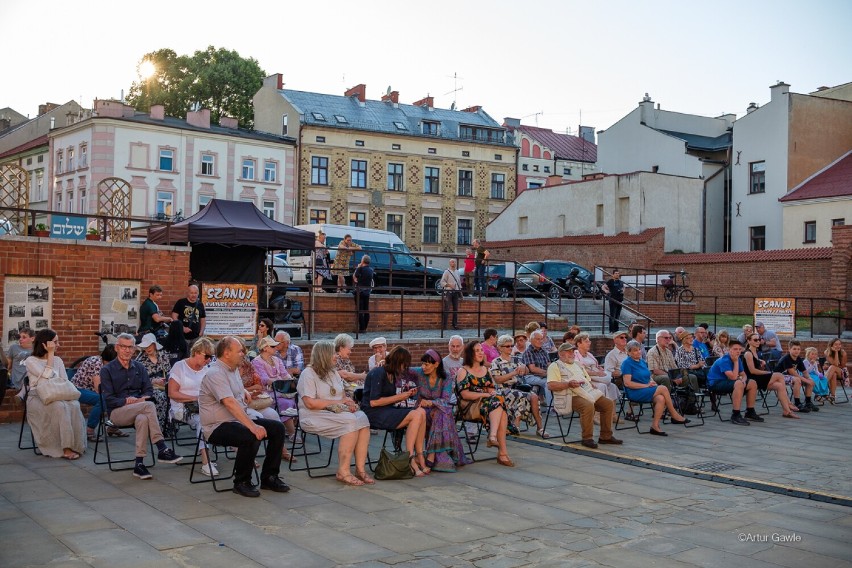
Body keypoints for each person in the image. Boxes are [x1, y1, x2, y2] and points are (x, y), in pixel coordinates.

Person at [199, 336, 290, 497]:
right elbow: (229, 403)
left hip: (235, 420)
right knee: (250, 434)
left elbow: (235, 394)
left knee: (277, 428)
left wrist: (245, 392)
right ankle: (241, 481)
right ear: (227, 353)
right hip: (217, 426)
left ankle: (269, 477)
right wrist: (253, 426)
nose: (244, 353)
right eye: (240, 351)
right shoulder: (215, 373)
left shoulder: (233, 369)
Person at [100, 333, 183, 479]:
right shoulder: (107, 370)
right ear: (117, 348)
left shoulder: (139, 367)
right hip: (117, 413)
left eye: (130, 347)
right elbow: (108, 399)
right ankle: (161, 447)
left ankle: (139, 464)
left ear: (134, 350)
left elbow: (148, 390)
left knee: (142, 419)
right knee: (149, 405)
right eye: (123, 347)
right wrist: (127, 401)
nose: (126, 350)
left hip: (139, 408)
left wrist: (138, 399)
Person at [298, 340, 373, 485]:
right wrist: (338, 403)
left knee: (362, 419)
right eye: (333, 353)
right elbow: (310, 403)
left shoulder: (333, 373)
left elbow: (341, 396)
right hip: (314, 415)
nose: (336, 356)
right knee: (350, 421)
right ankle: (343, 471)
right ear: (324, 355)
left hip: (336, 413)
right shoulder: (308, 374)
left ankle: (360, 469)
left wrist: (348, 401)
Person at [360, 346, 430, 476]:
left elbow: (390, 399)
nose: (405, 368)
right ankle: (409, 457)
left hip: (386, 410)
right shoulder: (378, 373)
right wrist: (401, 396)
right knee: (415, 415)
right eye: (405, 365)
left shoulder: (391, 374)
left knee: (421, 412)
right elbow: (374, 402)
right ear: (399, 363)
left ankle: (419, 455)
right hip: (373, 413)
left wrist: (407, 394)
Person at [23, 329, 86, 460]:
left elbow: (64, 381)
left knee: (74, 405)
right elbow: (46, 377)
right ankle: (65, 448)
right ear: (45, 344)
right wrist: (50, 354)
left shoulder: (58, 360)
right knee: (59, 407)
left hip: (58, 394)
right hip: (38, 397)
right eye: (55, 342)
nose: (58, 345)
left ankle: (76, 445)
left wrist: (52, 357)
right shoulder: (30, 360)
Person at [547, 343, 624, 448]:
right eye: (568, 351)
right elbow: (550, 385)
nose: (572, 354)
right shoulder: (555, 366)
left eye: (572, 351)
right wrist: (568, 384)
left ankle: (605, 436)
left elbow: (586, 379)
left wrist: (591, 386)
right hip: (569, 395)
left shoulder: (578, 364)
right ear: (561, 354)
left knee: (608, 403)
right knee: (587, 405)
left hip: (585, 392)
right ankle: (587, 438)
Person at [456, 341, 514, 467]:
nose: (481, 353)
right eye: (477, 350)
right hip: (470, 406)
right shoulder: (463, 371)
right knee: (499, 406)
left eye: (481, 350)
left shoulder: (486, 370)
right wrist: (485, 395)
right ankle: (498, 448)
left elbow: (490, 389)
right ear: (470, 354)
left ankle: (498, 446)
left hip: (487, 405)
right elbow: (465, 395)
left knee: (500, 406)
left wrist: (491, 392)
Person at [415, 349, 471, 472]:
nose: (423, 367)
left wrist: (431, 402)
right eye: (422, 364)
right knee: (444, 414)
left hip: (437, 410)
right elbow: (402, 370)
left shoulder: (446, 378)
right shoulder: (419, 373)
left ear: (436, 364)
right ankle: (433, 455)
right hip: (421, 412)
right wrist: (383, 362)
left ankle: (431, 454)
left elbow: (445, 399)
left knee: (441, 412)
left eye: (426, 364)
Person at [168, 338, 218, 476]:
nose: (208, 360)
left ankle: (239, 452)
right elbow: (172, 393)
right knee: (204, 421)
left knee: (224, 415)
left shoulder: (206, 369)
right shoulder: (179, 366)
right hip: (181, 408)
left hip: (201, 406)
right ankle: (206, 462)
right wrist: (195, 398)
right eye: (206, 356)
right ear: (196, 352)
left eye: (211, 357)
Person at [621, 340, 689, 435]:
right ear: (629, 352)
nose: (639, 352)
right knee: (663, 388)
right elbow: (627, 383)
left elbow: (649, 377)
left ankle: (655, 426)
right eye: (635, 350)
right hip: (634, 391)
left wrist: (652, 383)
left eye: (639, 349)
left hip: (646, 389)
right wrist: (646, 385)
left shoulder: (642, 362)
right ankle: (674, 414)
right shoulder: (627, 363)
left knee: (661, 398)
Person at [490, 335, 549, 438]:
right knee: (521, 396)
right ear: (500, 347)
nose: (510, 348)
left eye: (511, 346)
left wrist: (524, 367)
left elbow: (526, 372)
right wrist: (514, 373)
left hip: (518, 387)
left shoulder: (516, 359)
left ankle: (540, 428)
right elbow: (498, 379)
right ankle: (516, 425)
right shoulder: (496, 362)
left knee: (534, 396)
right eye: (507, 346)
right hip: (503, 389)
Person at [252, 336, 298, 444]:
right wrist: (280, 381)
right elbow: (263, 379)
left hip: (281, 389)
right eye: (273, 346)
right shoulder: (257, 362)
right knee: (285, 402)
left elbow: (284, 374)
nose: (276, 348)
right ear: (265, 348)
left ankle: (289, 429)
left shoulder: (276, 359)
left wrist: (290, 380)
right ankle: (292, 433)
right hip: (267, 392)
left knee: (297, 398)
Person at [742, 333, 799, 418]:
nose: (758, 341)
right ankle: (789, 403)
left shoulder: (756, 352)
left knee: (779, 386)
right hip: (752, 380)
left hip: (758, 378)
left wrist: (761, 364)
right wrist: (767, 373)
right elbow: (752, 371)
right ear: (749, 341)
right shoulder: (748, 353)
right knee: (779, 375)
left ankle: (786, 411)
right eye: (755, 340)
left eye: (759, 339)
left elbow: (757, 368)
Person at [706, 340, 762, 425]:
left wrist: (743, 381)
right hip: (715, 383)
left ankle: (750, 411)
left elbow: (744, 375)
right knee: (738, 383)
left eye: (740, 349)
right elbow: (733, 377)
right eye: (735, 349)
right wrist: (735, 362)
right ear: (729, 350)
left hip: (727, 382)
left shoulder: (737, 358)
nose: (738, 351)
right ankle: (736, 414)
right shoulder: (724, 360)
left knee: (752, 383)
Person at [71, 344, 118, 442]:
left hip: (88, 389)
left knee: (116, 396)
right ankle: (90, 430)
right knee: (102, 399)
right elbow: (98, 388)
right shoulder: (96, 363)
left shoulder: (107, 364)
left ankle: (112, 427)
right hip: (77, 389)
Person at [134, 333, 174, 439]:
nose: (147, 348)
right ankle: (158, 431)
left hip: (164, 385)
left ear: (154, 345)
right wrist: (153, 381)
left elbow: (170, 372)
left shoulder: (163, 355)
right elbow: (139, 379)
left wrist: (165, 380)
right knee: (161, 397)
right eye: (145, 346)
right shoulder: (140, 360)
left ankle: (168, 427)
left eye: (149, 345)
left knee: (173, 396)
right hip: (148, 388)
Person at [574, 332, 620, 405]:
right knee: (603, 386)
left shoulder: (589, 354)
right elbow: (579, 371)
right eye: (586, 341)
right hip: (586, 380)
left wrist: (600, 368)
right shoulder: (575, 355)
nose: (589, 343)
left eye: (589, 341)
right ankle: (598, 414)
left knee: (612, 386)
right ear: (579, 344)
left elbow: (596, 366)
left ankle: (612, 414)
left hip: (596, 377)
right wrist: (596, 373)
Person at [775, 340, 819, 413]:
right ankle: (797, 403)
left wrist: (809, 379)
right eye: (794, 349)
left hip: (789, 377)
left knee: (810, 380)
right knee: (797, 379)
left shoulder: (798, 359)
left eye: (798, 349)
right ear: (789, 349)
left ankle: (808, 402)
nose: (797, 351)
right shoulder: (786, 358)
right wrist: (807, 380)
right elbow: (793, 373)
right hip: (778, 377)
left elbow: (804, 372)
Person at [520, 330, 551, 405]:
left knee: (557, 381)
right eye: (538, 339)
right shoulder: (528, 352)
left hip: (543, 375)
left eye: (541, 339)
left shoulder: (544, 351)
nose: (540, 341)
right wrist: (547, 373)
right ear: (531, 340)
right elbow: (533, 369)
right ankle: (552, 408)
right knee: (549, 384)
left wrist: (552, 372)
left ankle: (561, 405)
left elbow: (549, 364)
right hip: (530, 376)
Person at [352, 254, 374, 332]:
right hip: (367, 291)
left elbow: (355, 278)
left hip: (359, 291)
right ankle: (365, 327)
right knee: (366, 310)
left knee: (359, 310)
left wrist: (358, 267)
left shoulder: (360, 269)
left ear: (362, 261)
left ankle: (361, 328)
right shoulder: (371, 270)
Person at [440, 259, 463, 329]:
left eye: (455, 262)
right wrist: (449, 285)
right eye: (452, 262)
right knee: (447, 308)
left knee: (455, 309)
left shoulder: (457, 272)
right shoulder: (446, 272)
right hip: (448, 292)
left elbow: (459, 283)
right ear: (450, 263)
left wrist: (461, 294)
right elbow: (442, 282)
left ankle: (455, 325)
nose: (454, 263)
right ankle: (444, 326)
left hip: (456, 292)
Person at [824, 338, 847, 404]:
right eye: (836, 344)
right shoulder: (827, 352)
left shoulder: (843, 353)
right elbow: (834, 364)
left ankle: (822, 384)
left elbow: (840, 365)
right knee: (833, 373)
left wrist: (836, 352)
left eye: (839, 344)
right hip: (831, 372)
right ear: (831, 345)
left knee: (833, 367)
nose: (838, 346)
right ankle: (833, 397)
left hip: (842, 372)